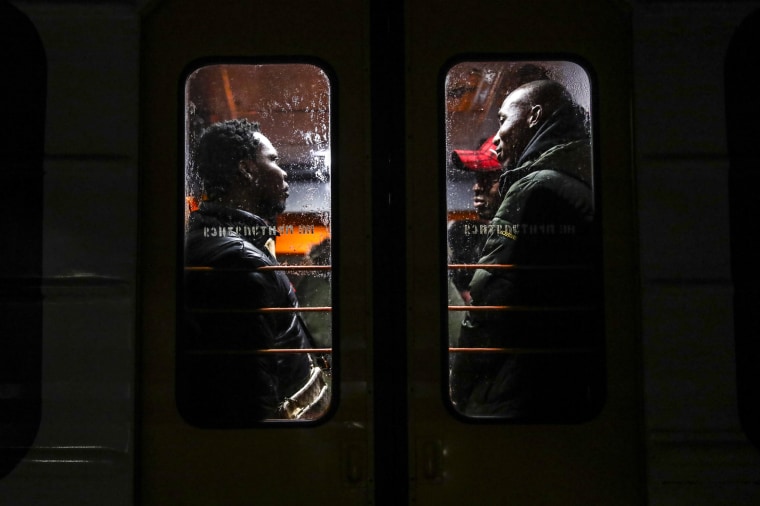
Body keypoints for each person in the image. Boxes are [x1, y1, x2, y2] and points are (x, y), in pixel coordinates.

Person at [450, 80, 601, 421]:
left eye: (503, 120)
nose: (497, 136)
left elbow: (491, 299)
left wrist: (458, 391)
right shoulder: (581, 177)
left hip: (519, 386)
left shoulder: (533, 187)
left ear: (534, 117)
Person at [180, 118, 329, 425]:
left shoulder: (222, 243)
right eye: (273, 160)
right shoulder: (238, 261)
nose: (284, 172)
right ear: (246, 170)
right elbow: (247, 392)